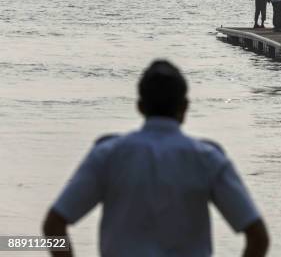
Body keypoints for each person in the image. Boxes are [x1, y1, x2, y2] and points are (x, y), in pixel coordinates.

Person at [42, 60, 269, 257]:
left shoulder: (108, 155)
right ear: (184, 107)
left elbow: (54, 224)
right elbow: (258, 237)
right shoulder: (207, 159)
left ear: (140, 106)